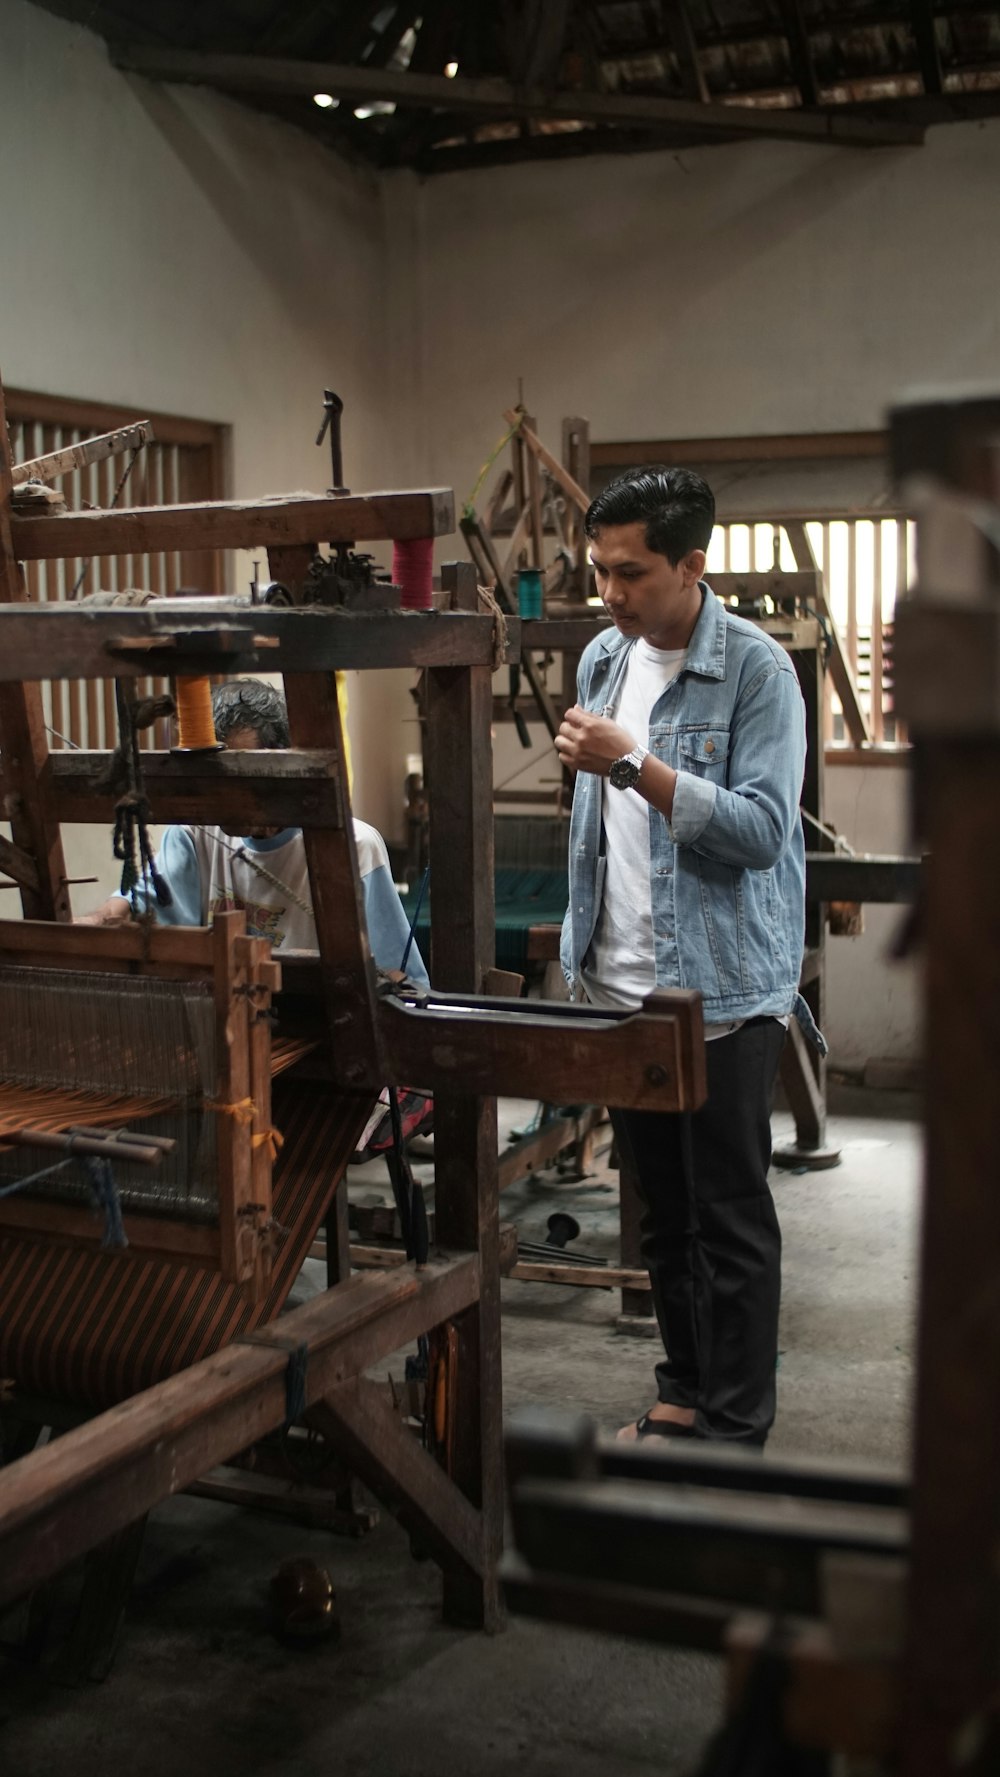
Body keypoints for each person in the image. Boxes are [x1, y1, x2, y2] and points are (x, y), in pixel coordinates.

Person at [555, 467, 821, 1447]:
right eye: (599, 571)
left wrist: (634, 762)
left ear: (691, 564)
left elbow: (757, 831)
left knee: (731, 1220)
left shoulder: (755, 671)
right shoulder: (600, 659)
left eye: (630, 573)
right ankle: (682, 1389)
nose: (612, 594)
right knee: (662, 1214)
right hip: (623, 987)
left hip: (717, 992)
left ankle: (737, 1426)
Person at [80, 678, 428, 990]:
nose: (226, 799)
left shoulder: (354, 847)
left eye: (243, 778)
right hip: (228, 1029)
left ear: (282, 770)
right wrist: (97, 923)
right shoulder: (193, 834)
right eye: (214, 783)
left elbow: (403, 984)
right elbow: (138, 911)